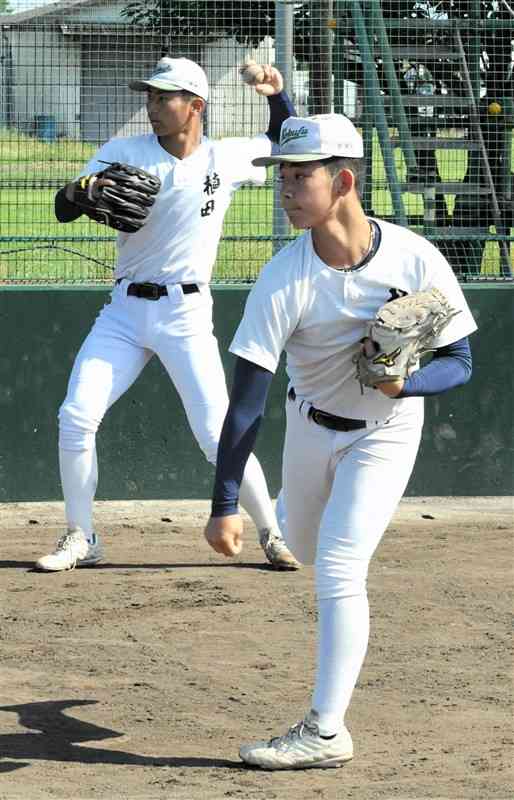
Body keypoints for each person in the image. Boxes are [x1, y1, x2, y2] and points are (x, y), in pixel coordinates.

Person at [204, 113, 477, 770]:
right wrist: (223, 503)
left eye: (301, 176)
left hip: (385, 435)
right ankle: (325, 720)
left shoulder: (415, 259)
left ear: (343, 180)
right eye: (284, 176)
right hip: (308, 424)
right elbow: (245, 406)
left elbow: (460, 361)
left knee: (340, 567)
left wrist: (403, 386)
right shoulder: (283, 278)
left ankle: (325, 732)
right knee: (304, 546)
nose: (286, 189)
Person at [35, 56, 300, 573]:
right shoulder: (124, 151)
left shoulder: (224, 159)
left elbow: (283, 141)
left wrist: (275, 95)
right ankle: (80, 536)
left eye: (163, 97)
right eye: (150, 96)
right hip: (124, 312)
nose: (151, 106)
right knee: (76, 416)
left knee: (214, 434)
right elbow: (64, 208)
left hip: (186, 314)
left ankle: (271, 531)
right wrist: (78, 193)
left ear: (195, 106)